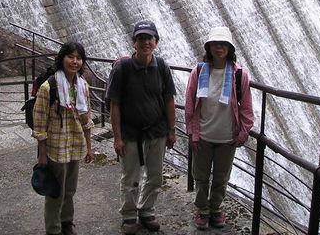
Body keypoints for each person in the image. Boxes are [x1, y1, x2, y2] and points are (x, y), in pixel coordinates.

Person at [106, 20, 177, 234]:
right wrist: (117, 137)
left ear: (156, 42)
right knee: (130, 177)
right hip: (130, 133)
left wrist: (172, 130)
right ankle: (129, 215)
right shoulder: (122, 68)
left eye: (149, 38)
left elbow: (169, 99)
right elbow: (115, 104)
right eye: (141, 38)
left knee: (155, 176)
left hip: (157, 131)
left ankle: (147, 210)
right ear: (133, 42)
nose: (146, 42)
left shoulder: (161, 66)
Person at [185, 26, 254, 230]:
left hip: (227, 137)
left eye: (223, 44)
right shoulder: (198, 72)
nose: (219, 48)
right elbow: (190, 104)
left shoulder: (239, 74)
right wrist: (192, 132)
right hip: (203, 135)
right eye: (215, 44)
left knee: (221, 178)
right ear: (209, 48)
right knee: (200, 176)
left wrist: (243, 133)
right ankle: (202, 210)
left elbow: (247, 107)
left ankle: (215, 208)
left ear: (229, 48)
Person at [32, 42, 94, 235]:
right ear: (62, 59)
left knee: (70, 189)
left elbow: (86, 119)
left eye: (78, 58)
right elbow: (40, 123)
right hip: (56, 148)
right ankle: (53, 229)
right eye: (70, 57)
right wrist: (42, 154)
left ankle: (67, 223)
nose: (74, 61)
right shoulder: (48, 87)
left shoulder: (82, 86)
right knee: (55, 192)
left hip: (75, 145)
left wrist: (89, 147)